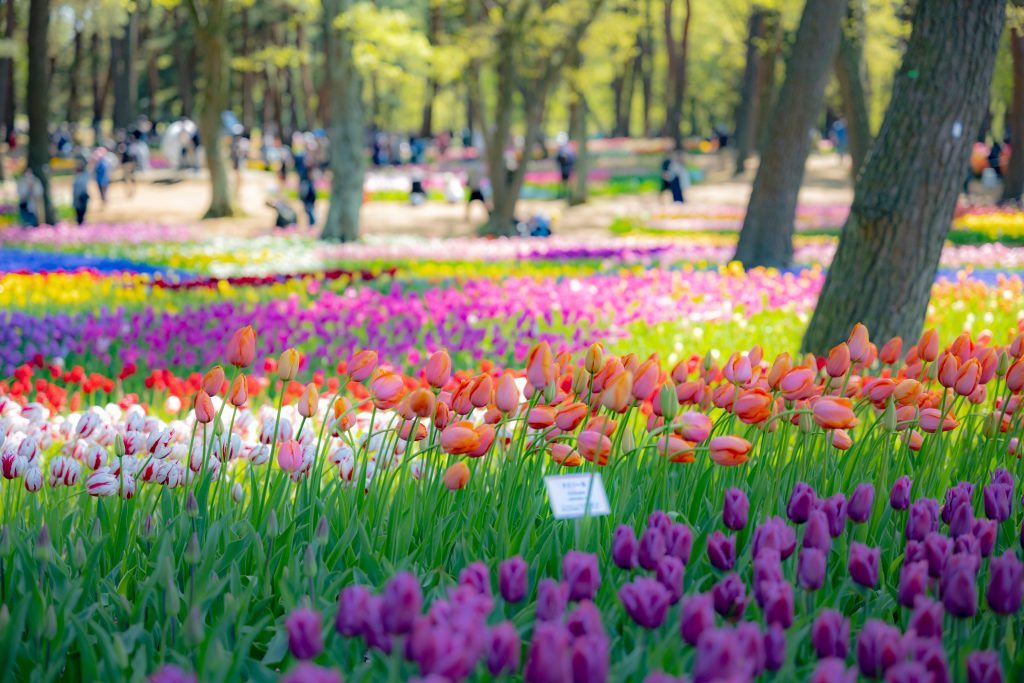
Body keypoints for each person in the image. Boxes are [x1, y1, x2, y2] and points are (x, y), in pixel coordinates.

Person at [297, 159, 317, 226]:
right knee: (311, 215)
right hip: (308, 202)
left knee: (311, 214)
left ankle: (312, 225)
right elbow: (303, 194)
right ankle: (312, 225)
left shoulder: (310, 182)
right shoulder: (306, 182)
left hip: (311, 202)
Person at [72, 159, 91, 225]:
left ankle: (81, 223)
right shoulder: (77, 175)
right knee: (78, 213)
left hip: (82, 196)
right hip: (77, 197)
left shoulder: (84, 175)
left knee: (82, 212)